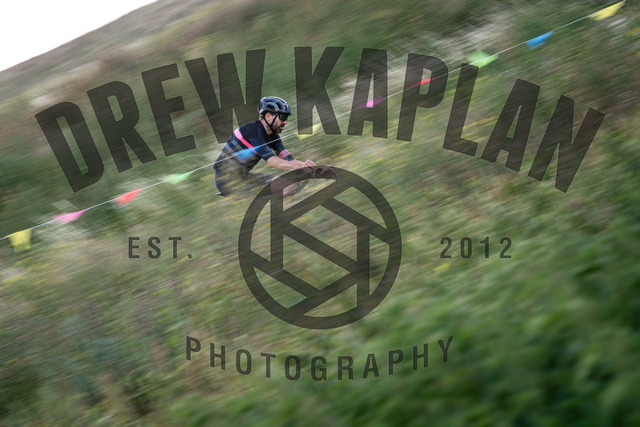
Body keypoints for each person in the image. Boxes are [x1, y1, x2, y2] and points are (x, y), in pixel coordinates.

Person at [213, 96, 317, 197]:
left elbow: (289, 160)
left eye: (286, 118)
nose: (285, 122)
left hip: (242, 177)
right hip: (227, 180)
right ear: (268, 117)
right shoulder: (253, 130)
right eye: (282, 117)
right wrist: (301, 167)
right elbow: (272, 162)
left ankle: (286, 208)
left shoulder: (273, 136)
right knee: (284, 186)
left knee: (287, 185)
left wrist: (306, 166)